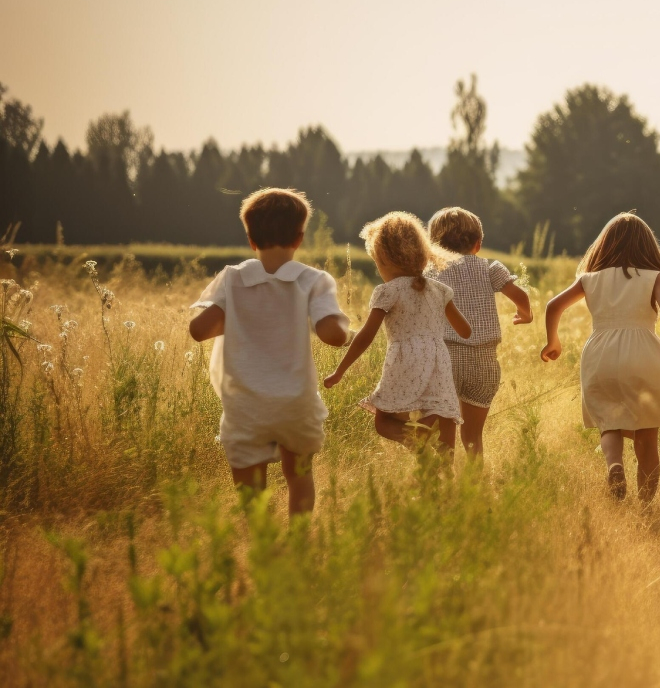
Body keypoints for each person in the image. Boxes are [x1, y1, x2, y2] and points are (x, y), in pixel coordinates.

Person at [188, 188, 351, 517]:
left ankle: (262, 545)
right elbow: (332, 335)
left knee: (250, 484)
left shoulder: (233, 279)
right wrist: (344, 331)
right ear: (300, 237)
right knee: (299, 476)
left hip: (245, 404)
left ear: (250, 239)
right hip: (295, 404)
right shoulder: (312, 280)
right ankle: (299, 540)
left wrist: (243, 318)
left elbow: (198, 330)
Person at [541, 213, 660, 502]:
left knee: (608, 421)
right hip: (641, 353)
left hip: (599, 354)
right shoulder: (655, 277)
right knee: (647, 437)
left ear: (604, 245)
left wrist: (553, 342)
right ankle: (646, 507)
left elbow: (553, 306)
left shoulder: (589, 279)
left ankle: (614, 465)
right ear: (647, 247)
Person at [323, 212, 471, 454]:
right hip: (439, 360)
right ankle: (444, 478)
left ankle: (419, 435)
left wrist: (340, 370)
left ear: (384, 260)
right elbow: (465, 331)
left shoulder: (388, 291)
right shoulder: (440, 290)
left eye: (376, 262)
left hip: (405, 359)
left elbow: (366, 335)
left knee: (384, 422)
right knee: (442, 417)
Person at [425, 207, 532, 459]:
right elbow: (520, 296)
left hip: (446, 358)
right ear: (478, 244)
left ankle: (444, 488)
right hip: (483, 362)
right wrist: (525, 314)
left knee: (444, 437)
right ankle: (476, 487)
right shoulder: (490, 268)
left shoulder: (430, 272)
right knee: (473, 438)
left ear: (433, 246)